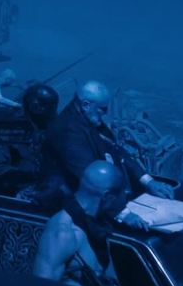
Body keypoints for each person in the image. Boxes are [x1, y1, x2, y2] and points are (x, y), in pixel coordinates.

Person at [43, 80, 174, 207]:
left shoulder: (88, 117)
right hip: (83, 203)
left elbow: (116, 149)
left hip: (112, 194)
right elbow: (92, 180)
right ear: (86, 105)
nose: (105, 113)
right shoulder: (67, 132)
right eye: (102, 109)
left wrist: (148, 181)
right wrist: (123, 212)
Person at [34, 160, 136, 286]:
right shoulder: (64, 233)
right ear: (107, 197)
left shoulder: (98, 219)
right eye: (122, 194)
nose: (124, 199)